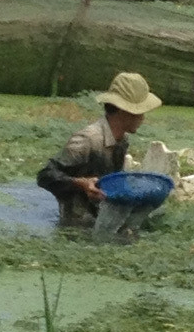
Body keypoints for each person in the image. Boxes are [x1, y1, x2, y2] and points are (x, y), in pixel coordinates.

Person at [37, 72, 162, 236]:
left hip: (101, 222)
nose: (142, 118)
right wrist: (80, 183)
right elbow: (45, 176)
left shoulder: (121, 141)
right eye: (139, 112)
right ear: (123, 110)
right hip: (75, 228)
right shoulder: (87, 140)